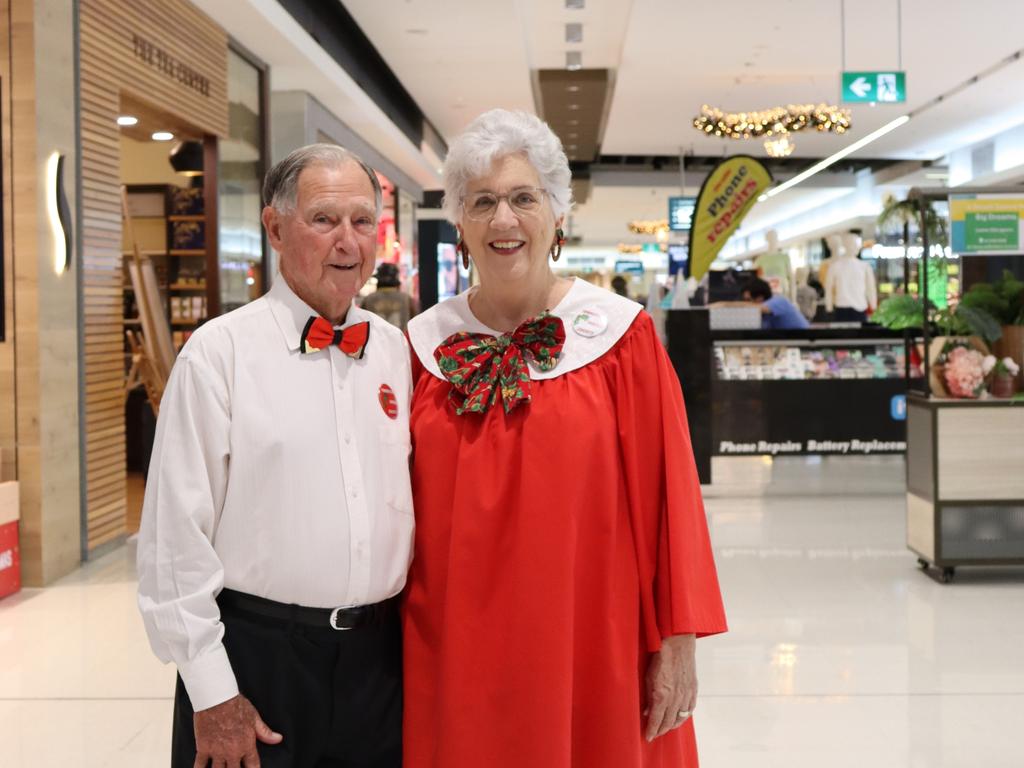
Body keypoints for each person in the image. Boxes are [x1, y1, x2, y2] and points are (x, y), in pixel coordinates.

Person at [403, 108, 726, 768]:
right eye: (483, 202)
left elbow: (672, 501)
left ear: (556, 214)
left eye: (524, 198)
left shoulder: (619, 338)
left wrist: (678, 640)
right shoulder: (418, 348)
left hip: (593, 637)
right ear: (459, 223)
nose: (504, 220)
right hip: (451, 641)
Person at [137, 143, 414, 768]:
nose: (349, 241)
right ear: (275, 228)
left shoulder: (396, 352)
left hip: (380, 666)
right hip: (257, 663)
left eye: (363, 221)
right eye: (324, 220)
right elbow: (172, 544)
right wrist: (212, 695)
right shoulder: (218, 356)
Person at [361, 261, 418, 331]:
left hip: (375, 341)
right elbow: (416, 326)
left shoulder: (368, 300)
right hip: (401, 341)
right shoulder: (407, 299)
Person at [741, 276, 810, 330]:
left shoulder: (778, 301)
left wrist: (731, 306)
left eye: (748, 300)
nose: (746, 303)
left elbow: (758, 309)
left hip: (804, 344)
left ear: (760, 297)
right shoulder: (763, 314)